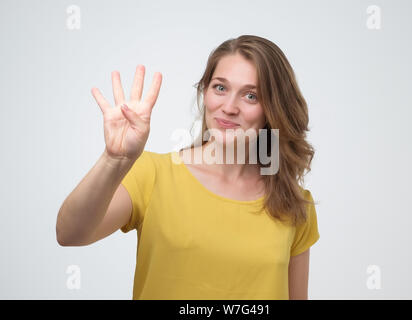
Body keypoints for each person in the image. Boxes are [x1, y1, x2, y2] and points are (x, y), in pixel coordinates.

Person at [56, 35, 320, 300]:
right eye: (220, 88)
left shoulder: (293, 204)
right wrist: (113, 160)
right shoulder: (153, 173)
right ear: (205, 91)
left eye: (251, 96)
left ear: (273, 108)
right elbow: (70, 233)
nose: (228, 108)